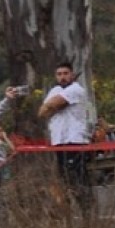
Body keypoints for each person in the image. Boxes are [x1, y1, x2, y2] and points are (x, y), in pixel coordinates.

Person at [38, 61, 93, 189]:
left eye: (65, 73)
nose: (62, 77)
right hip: (59, 140)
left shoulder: (76, 89)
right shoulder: (55, 90)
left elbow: (53, 104)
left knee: (78, 178)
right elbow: (42, 112)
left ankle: (85, 201)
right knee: (65, 179)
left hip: (74, 139)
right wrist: (54, 105)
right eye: (59, 74)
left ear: (72, 75)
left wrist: (53, 106)